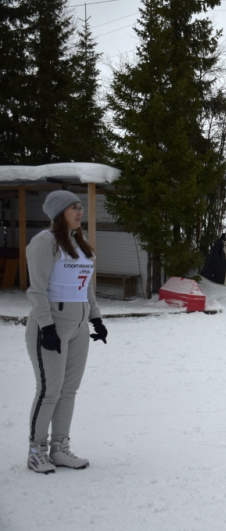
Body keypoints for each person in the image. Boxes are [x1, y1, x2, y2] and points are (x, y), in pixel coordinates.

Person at [25, 190, 108, 474]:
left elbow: (85, 287)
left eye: (81, 207)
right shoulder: (43, 243)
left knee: (69, 391)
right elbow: (36, 290)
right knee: (49, 390)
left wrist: (96, 318)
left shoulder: (81, 246)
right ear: (59, 212)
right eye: (74, 207)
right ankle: (37, 451)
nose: (80, 211)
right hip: (52, 326)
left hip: (79, 326)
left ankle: (59, 449)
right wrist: (47, 326)